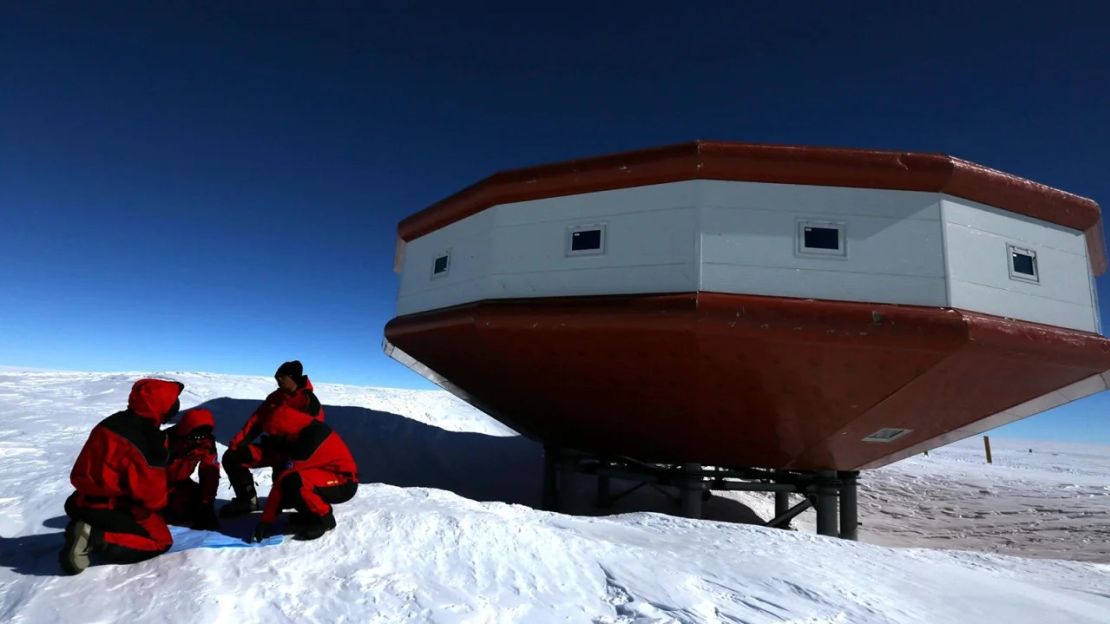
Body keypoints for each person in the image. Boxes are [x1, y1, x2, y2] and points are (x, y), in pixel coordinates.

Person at [60, 378, 183, 575]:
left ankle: (86, 525)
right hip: (112, 506)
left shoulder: (111, 422)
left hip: (81, 501)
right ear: (163, 407)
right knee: (160, 540)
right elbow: (152, 499)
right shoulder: (150, 441)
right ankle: (96, 537)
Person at [220, 360, 324, 518]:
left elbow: (312, 437)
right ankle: (247, 500)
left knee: (286, 494)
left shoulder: (308, 402)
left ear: (292, 377)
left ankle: (295, 500)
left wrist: (286, 446)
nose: (278, 381)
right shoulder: (275, 398)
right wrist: (238, 443)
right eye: (277, 378)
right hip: (273, 450)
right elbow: (256, 422)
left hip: (294, 457)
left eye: (281, 377)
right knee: (232, 457)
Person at [248, 404, 358, 541]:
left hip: (344, 482)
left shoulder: (310, 442)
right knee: (291, 483)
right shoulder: (301, 430)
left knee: (296, 481)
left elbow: (283, 479)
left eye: (275, 434)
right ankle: (310, 516)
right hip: (325, 475)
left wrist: (266, 521)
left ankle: (324, 520)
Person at [164, 408, 221, 531]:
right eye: (194, 436)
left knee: (195, 507)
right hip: (157, 485)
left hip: (181, 484)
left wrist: (207, 503)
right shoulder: (165, 440)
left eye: (202, 436)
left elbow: (210, 472)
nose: (198, 440)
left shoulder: (207, 443)